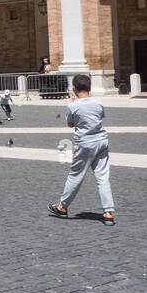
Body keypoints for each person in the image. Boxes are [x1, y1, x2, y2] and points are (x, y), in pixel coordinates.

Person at [49, 73, 115, 226]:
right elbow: (99, 117)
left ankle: (62, 207)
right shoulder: (98, 103)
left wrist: (75, 103)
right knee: (103, 177)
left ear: (74, 88)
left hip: (85, 143)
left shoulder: (73, 105)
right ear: (89, 87)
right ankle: (108, 212)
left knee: (75, 175)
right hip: (102, 141)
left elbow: (71, 124)